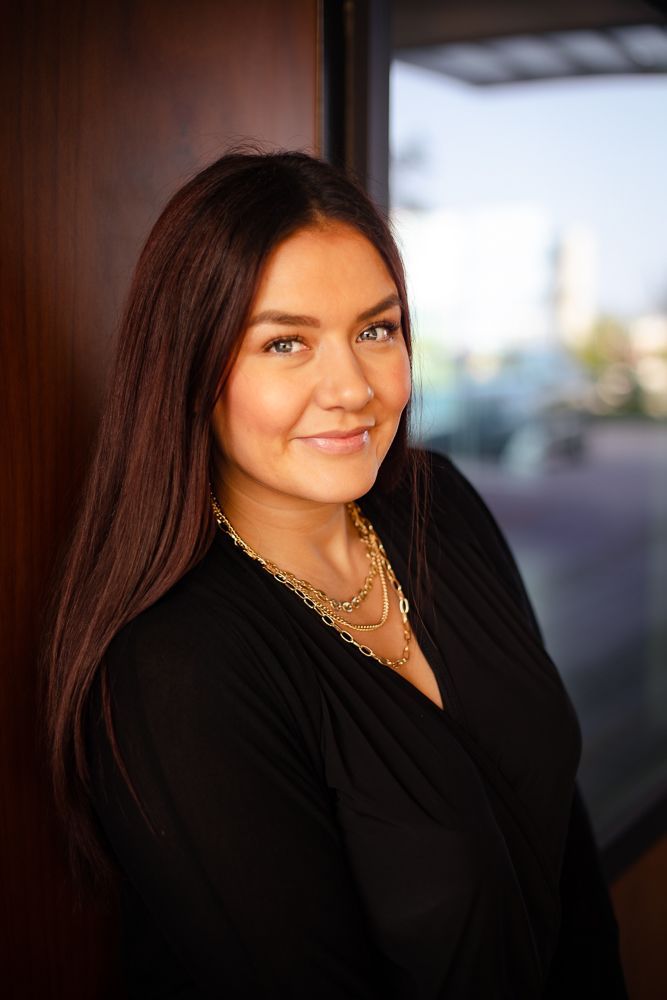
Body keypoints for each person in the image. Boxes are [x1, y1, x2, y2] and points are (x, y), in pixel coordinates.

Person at [45, 149, 627, 999]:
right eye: (285, 342)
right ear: (191, 369)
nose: (351, 387)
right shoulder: (179, 668)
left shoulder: (441, 505)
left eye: (375, 330)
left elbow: (560, 847)